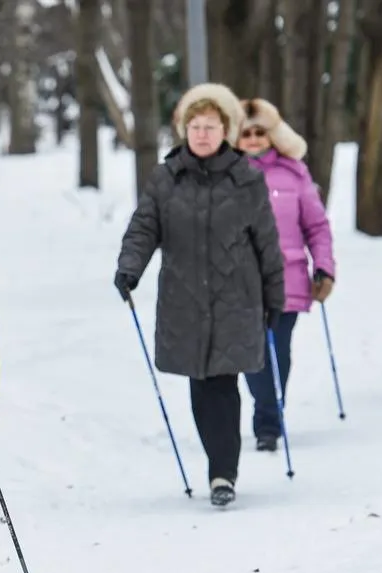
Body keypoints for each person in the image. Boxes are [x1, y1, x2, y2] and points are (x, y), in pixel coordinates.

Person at [113, 83, 285, 507]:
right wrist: (130, 268)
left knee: (223, 384)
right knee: (199, 386)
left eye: (210, 126)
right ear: (184, 130)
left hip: (235, 299)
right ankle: (219, 464)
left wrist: (274, 296)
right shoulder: (166, 178)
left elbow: (267, 242)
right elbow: (144, 227)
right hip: (184, 300)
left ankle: (223, 472)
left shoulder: (247, 179)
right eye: (195, 126)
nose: (202, 134)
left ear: (225, 131)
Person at [236, 98, 336, 452]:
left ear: (273, 135)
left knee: (278, 351)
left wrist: (324, 267)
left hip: (287, 278)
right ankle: (266, 413)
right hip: (239, 282)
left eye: (260, 132)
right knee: (252, 353)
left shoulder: (294, 173)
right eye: (246, 133)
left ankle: (270, 419)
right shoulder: (224, 175)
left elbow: (317, 226)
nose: (253, 139)